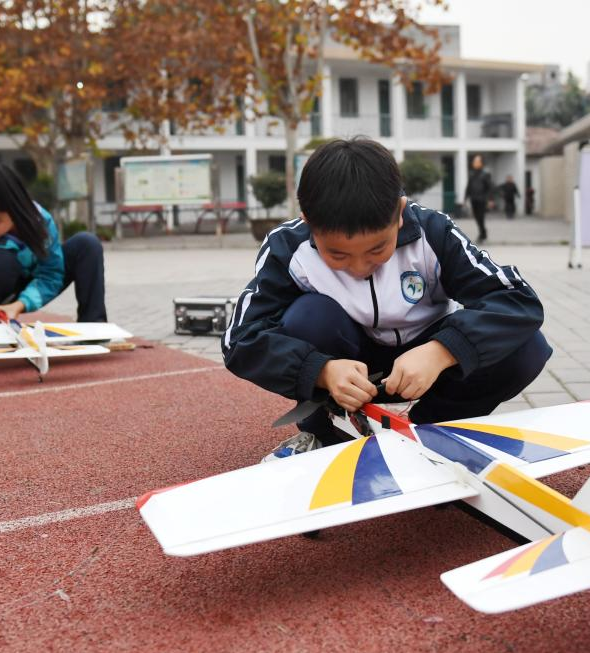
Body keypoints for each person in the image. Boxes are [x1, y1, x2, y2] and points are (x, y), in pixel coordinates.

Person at [222, 138, 551, 462]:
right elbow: (240, 339)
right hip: (348, 372)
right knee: (308, 317)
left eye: (378, 249)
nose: (358, 266)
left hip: (424, 367)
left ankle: (427, 427)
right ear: (308, 221)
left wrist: (443, 351)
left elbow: (517, 300)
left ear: (399, 212)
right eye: (336, 254)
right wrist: (320, 370)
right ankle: (325, 432)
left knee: (527, 346)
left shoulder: (433, 232)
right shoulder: (287, 246)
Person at [0, 163, 107, 326]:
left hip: (33, 285)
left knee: (87, 243)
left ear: (15, 210)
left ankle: (93, 326)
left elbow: (51, 274)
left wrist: (19, 305)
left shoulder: (40, 222)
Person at [464, 154, 493, 241]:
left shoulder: (485, 174)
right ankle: (482, 232)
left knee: (481, 216)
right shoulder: (472, 174)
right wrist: (465, 198)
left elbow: (489, 188)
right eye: (474, 161)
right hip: (474, 198)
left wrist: (490, 199)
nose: (475, 163)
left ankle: (482, 233)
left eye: (477, 161)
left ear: (481, 163)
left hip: (482, 199)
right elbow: (468, 186)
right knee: (476, 217)